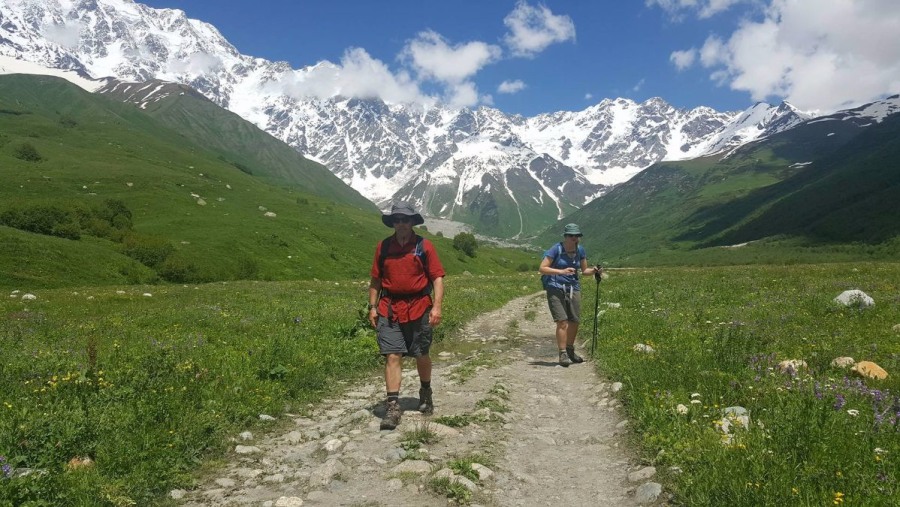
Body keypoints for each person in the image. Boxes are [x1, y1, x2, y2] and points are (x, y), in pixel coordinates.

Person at [368, 201, 446, 430]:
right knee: (392, 355)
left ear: (412, 222)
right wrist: (372, 306)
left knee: (421, 353)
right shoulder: (383, 248)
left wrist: (437, 306)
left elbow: (437, 278)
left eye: (405, 219)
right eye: (397, 220)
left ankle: (425, 390)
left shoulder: (424, 246)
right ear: (393, 223)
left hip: (420, 306)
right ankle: (393, 406)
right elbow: (376, 280)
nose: (401, 224)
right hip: (389, 308)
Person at [538, 223, 602, 367]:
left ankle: (570, 349)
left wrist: (594, 271)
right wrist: (561, 271)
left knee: (574, 321)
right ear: (566, 236)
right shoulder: (556, 249)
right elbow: (542, 268)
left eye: (577, 235)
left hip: (574, 288)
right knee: (562, 321)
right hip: (555, 287)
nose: (575, 238)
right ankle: (562, 354)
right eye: (571, 236)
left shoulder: (580, 250)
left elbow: (584, 271)